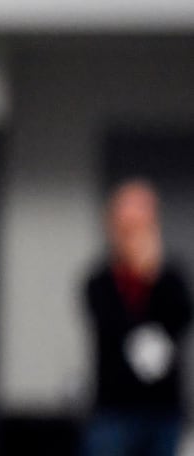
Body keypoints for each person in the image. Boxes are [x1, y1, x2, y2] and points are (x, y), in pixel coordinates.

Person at [80, 180, 191, 456]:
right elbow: (115, 329)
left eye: (141, 225)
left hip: (163, 409)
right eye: (126, 226)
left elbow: (180, 320)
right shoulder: (99, 281)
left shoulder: (172, 278)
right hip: (113, 409)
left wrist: (153, 275)